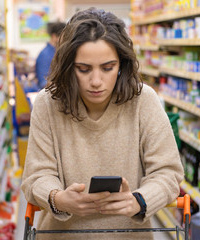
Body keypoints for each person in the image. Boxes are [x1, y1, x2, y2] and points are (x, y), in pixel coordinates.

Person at [22, 7, 184, 240]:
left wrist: (139, 200)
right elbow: (37, 175)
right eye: (83, 69)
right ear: (68, 67)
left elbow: (167, 172)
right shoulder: (48, 103)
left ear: (122, 65)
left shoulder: (143, 100)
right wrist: (58, 198)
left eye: (108, 68)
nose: (96, 81)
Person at [35, 21, 66, 91]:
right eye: (64, 37)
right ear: (54, 36)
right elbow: (43, 83)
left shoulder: (57, 52)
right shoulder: (45, 55)